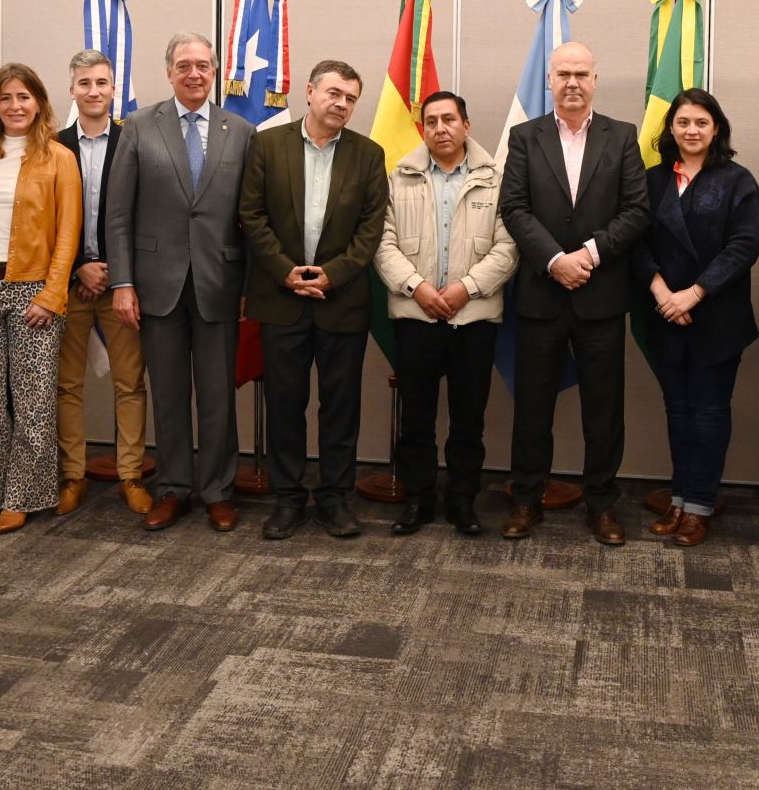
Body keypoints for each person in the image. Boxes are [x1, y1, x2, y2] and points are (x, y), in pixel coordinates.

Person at [498, 41, 651, 546]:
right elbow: (514, 208)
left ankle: (602, 504)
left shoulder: (622, 136)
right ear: (549, 80)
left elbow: (635, 210)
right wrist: (554, 260)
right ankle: (526, 500)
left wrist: (586, 254)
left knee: (604, 409)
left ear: (595, 79)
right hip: (542, 294)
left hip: (600, 296)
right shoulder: (525, 137)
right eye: (563, 73)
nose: (572, 82)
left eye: (581, 73)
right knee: (533, 407)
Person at [108, 33, 254, 532]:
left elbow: (251, 215)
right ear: (169, 71)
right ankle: (172, 488)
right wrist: (122, 282)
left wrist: (250, 286)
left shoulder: (241, 130)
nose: (195, 74)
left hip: (219, 282)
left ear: (215, 72)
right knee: (168, 395)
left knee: (217, 395)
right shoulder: (139, 126)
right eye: (184, 65)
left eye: (204, 66)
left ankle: (216, 490)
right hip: (156, 284)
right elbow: (119, 214)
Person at [240, 60, 387, 540]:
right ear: (309, 92)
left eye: (350, 98)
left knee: (340, 407)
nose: (342, 104)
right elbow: (251, 216)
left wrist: (333, 275)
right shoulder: (266, 145)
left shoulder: (368, 154)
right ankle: (287, 499)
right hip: (281, 300)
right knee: (285, 403)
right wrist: (286, 272)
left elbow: (371, 229)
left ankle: (334, 499)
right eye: (334, 93)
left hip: (341, 301)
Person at [373, 91, 517, 536]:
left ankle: (462, 501)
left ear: (466, 126)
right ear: (424, 129)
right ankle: (417, 499)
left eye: (449, 119)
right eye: (431, 121)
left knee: (468, 419)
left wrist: (465, 289)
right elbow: (383, 244)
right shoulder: (401, 177)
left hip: (473, 319)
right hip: (416, 318)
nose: (440, 128)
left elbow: (508, 247)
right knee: (416, 417)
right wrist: (417, 288)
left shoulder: (496, 179)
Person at [0, 64, 81, 533]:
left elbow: (68, 235)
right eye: (5, 98)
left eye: (24, 97)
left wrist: (52, 295)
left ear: (40, 103)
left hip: (35, 293)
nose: (15, 106)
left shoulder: (58, 158)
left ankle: (22, 496)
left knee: (32, 402)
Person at [633, 88, 759, 548]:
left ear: (717, 129)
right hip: (664, 312)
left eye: (702, 123)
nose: (692, 131)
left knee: (708, 412)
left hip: (716, 316)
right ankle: (680, 497)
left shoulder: (737, 179)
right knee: (678, 410)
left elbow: (744, 246)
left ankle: (701, 505)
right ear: (671, 129)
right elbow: (636, 241)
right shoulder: (651, 180)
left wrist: (693, 294)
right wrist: (663, 292)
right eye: (684, 122)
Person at [53, 51, 152, 516]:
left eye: (103, 83)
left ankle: (132, 474)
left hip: (122, 286)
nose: (94, 91)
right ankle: (72, 475)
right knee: (67, 385)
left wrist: (115, 272)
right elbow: (44, 223)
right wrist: (78, 268)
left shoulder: (136, 142)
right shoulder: (51, 147)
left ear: (115, 90)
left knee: (129, 383)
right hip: (68, 285)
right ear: (72, 90)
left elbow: (143, 217)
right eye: (85, 83)